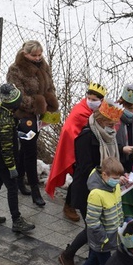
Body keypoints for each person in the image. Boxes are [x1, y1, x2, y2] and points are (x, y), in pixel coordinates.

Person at [59, 101, 122, 265]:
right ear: (101, 119)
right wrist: (109, 175)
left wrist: (117, 175)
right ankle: (67, 255)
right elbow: (85, 168)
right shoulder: (86, 137)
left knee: (97, 228)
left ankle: (91, 264)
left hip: (104, 187)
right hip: (88, 189)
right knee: (92, 228)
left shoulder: (109, 135)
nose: (113, 127)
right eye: (110, 124)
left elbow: (113, 159)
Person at [5, 40, 59, 208]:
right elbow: (17, 96)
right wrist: (38, 104)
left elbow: (51, 86)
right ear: (25, 53)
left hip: (39, 116)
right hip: (24, 116)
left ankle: (19, 180)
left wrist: (50, 105)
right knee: (30, 151)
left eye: (39, 55)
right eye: (33, 55)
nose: (37, 58)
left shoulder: (44, 65)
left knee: (26, 149)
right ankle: (35, 189)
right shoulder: (16, 70)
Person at [46, 81, 108, 222]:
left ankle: (82, 204)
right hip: (78, 150)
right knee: (79, 178)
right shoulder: (80, 111)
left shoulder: (101, 111)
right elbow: (70, 131)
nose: (91, 102)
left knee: (86, 178)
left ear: (101, 101)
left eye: (95, 100)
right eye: (89, 98)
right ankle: (69, 205)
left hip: (92, 149)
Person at [68, 156, 125, 265]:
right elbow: (92, 221)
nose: (117, 181)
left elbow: (118, 205)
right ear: (104, 175)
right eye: (114, 178)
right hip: (102, 238)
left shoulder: (115, 186)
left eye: (119, 178)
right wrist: (103, 238)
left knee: (93, 259)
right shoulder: (96, 194)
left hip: (111, 234)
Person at [0, 83, 35, 233]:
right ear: (14, 103)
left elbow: (3, 137)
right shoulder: (5, 120)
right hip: (4, 161)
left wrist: (15, 132)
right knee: (12, 188)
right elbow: (6, 147)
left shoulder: (0, 110)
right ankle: (16, 220)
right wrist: (12, 167)